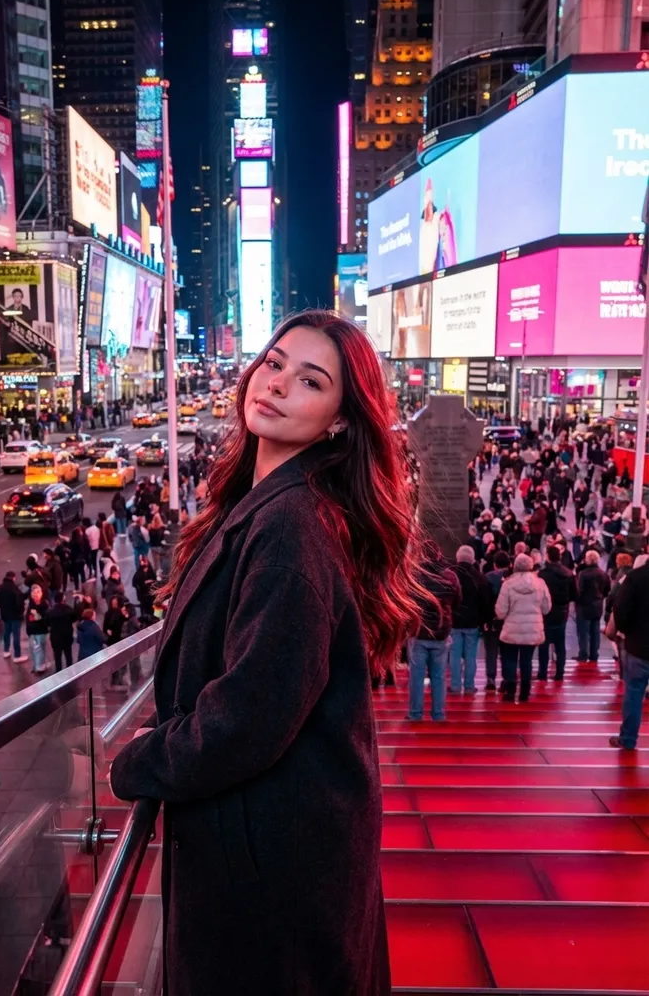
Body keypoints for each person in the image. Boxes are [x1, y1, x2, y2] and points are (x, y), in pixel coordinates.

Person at [110, 311, 433, 994]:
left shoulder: (290, 528)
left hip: (272, 870)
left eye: (310, 381)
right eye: (275, 363)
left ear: (340, 421)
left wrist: (138, 759)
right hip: (276, 847)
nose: (278, 383)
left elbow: (248, 717)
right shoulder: (276, 503)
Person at [409, 543, 461, 721]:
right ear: (439, 554)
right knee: (439, 676)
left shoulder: (414, 575)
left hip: (419, 631)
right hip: (441, 631)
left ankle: (415, 713)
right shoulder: (450, 576)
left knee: (416, 676)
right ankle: (438, 714)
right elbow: (457, 600)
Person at [495, 553, 551, 702]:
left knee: (509, 659)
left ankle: (510, 690)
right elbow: (546, 608)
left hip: (511, 629)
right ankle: (525, 692)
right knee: (527, 661)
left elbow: (500, 612)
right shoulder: (540, 583)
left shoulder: (508, 584)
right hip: (532, 629)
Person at [611, 555, 649, 750]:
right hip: (638, 644)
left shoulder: (635, 577)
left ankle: (628, 738)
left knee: (634, 693)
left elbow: (621, 610)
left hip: (639, 645)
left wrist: (627, 631)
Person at [449, 545, 492, 696]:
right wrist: (486, 620)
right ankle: (469, 686)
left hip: (454, 622)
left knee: (454, 655)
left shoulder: (450, 576)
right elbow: (485, 603)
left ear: (458, 558)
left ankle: (455, 686)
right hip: (473, 622)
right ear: (473, 559)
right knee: (470, 656)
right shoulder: (480, 578)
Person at [537, 546, 577, 681]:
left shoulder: (542, 574)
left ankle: (542, 672)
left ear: (548, 556)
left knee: (544, 643)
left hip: (546, 611)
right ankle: (560, 672)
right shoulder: (568, 573)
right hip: (562, 611)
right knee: (560, 643)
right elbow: (574, 594)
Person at [575, 550, 610, 662]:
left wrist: (577, 601)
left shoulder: (583, 574)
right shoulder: (603, 574)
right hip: (597, 605)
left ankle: (583, 654)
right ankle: (594, 654)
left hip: (584, 606)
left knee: (583, 632)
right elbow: (607, 590)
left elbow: (579, 591)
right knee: (595, 631)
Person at [484, 550, 511, 691]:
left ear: (494, 564)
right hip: (509, 620)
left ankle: (491, 678)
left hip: (492, 619)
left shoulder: (488, 577)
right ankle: (507, 678)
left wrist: (485, 619)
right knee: (507, 651)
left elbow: (485, 601)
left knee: (491, 650)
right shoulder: (512, 578)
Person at [0, 570, 26, 663]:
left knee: (7, 633)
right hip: (15, 615)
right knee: (16, 635)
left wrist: (4, 608)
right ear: (13, 578)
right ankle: (17, 655)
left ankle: (6, 651)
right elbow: (20, 602)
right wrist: (21, 612)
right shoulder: (14, 589)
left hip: (5, 614)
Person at [25, 583, 50, 674]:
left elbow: (45, 618)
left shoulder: (44, 605)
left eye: (38, 592)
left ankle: (39, 666)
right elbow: (28, 618)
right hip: (32, 631)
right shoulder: (31, 605)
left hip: (41, 630)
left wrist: (36, 615)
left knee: (39, 648)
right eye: (34, 593)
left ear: (41, 593)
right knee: (35, 649)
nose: (36, 594)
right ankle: (37, 665)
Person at [48, 591, 76, 672]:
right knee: (68, 655)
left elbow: (47, 622)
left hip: (55, 637)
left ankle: (59, 671)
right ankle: (70, 671)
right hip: (67, 636)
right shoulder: (68, 609)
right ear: (63, 598)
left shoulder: (51, 611)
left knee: (57, 656)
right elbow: (74, 617)